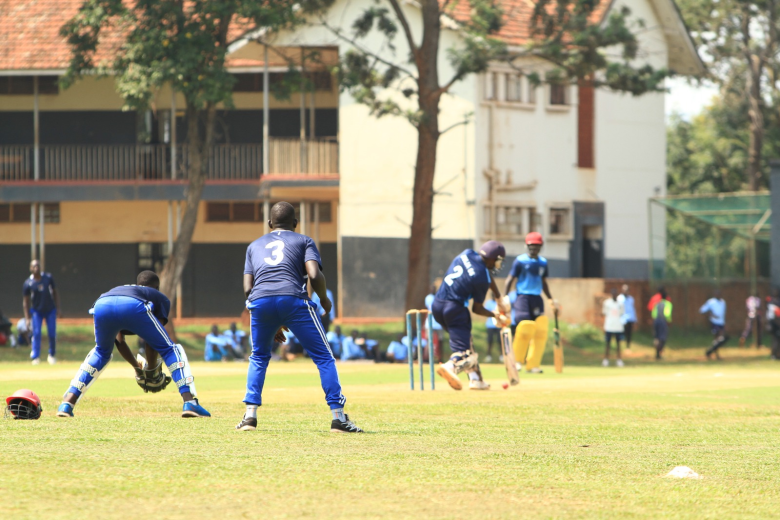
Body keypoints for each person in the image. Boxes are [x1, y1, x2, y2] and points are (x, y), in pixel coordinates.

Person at [237, 201, 362, 433]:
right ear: (295, 223)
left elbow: (247, 288)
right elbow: (314, 274)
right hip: (294, 299)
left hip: (260, 301)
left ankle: (249, 416)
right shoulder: (304, 241)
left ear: (269, 223)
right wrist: (324, 300)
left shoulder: (254, 246)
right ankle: (338, 418)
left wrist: (270, 320)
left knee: (259, 357)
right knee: (324, 357)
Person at [56, 270, 210, 418]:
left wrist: (137, 368)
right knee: (171, 349)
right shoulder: (158, 296)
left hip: (102, 303)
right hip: (132, 305)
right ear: (157, 288)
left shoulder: (125, 288)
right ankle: (189, 401)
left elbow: (119, 341)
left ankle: (67, 403)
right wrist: (151, 370)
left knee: (101, 353)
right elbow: (153, 342)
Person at [433, 240, 508, 391]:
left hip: (437, 305)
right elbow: (477, 309)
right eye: (498, 261)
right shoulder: (481, 278)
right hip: (455, 309)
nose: (498, 264)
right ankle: (451, 366)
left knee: (467, 341)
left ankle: (476, 379)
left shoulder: (467, 253)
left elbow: (486, 276)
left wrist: (499, 298)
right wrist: (495, 315)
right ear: (493, 259)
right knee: (465, 353)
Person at [503, 232, 557, 374]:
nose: (534, 249)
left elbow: (543, 282)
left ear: (541, 246)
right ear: (527, 246)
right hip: (523, 298)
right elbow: (510, 279)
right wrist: (503, 297)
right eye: (532, 246)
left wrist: (550, 298)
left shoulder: (543, 263)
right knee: (524, 328)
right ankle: (516, 361)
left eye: (537, 246)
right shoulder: (520, 261)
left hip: (537, 298)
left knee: (540, 330)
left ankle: (533, 364)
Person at [23, 259, 60, 365]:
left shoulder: (48, 278)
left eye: (38, 266)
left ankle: (51, 355)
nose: (36, 268)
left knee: (52, 333)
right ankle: (35, 356)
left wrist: (58, 308)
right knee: (37, 333)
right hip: (36, 312)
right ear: (30, 268)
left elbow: (55, 292)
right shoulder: (28, 283)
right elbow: (25, 301)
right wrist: (27, 318)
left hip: (50, 310)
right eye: (34, 266)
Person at [701, 290, 728, 360]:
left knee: (721, 339)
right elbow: (702, 310)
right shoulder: (711, 302)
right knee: (716, 338)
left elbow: (723, 314)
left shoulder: (723, 302)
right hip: (714, 323)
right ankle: (715, 354)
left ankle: (710, 351)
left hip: (721, 323)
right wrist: (711, 315)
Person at [602, 288, 625, 367]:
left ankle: (619, 359)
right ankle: (606, 359)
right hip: (609, 326)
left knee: (618, 344)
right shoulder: (607, 303)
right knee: (608, 344)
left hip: (618, 326)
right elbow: (604, 313)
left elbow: (622, 313)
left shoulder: (620, 304)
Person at [424, 283, 444, 362]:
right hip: (429, 322)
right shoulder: (428, 298)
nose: (433, 290)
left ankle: (440, 358)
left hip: (438, 323)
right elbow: (428, 310)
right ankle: (427, 358)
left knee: (440, 341)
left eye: (434, 288)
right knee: (429, 341)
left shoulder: (439, 297)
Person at [652, 288, 672, 359]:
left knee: (657, 337)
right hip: (663, 321)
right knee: (662, 338)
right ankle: (659, 352)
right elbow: (667, 314)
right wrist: (669, 321)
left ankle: (657, 352)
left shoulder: (657, 304)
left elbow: (653, 314)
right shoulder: (668, 304)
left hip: (656, 321)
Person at [617, 284, 637, 349]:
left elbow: (632, 309)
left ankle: (628, 347)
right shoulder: (619, 298)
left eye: (627, 290)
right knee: (622, 333)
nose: (625, 291)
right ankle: (619, 347)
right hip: (622, 319)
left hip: (630, 318)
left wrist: (634, 318)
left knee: (629, 334)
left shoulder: (631, 299)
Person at [483, 293, 501, 363]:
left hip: (498, 325)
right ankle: (488, 355)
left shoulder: (499, 303)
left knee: (499, 341)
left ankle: (501, 355)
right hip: (490, 325)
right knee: (490, 341)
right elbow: (486, 312)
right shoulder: (488, 303)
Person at [766, 290, 780, 359]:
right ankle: (774, 355)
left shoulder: (770, 302)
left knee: (775, 339)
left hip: (771, 323)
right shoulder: (775, 303)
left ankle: (774, 355)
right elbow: (777, 315)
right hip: (774, 324)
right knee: (776, 340)